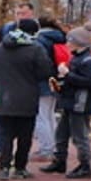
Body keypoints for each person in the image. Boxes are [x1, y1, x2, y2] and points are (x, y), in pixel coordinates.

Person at [0, 20, 53, 180]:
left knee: (5, 135)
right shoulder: (35, 49)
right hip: (28, 97)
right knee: (25, 136)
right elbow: (45, 71)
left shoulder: (1, 48)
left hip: (5, 97)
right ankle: (20, 168)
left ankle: (3, 167)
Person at [41, 26, 91, 179]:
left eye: (70, 41)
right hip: (71, 101)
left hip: (81, 103)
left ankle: (85, 165)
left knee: (80, 136)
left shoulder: (88, 61)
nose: (67, 44)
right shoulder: (77, 58)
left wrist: (68, 75)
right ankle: (60, 160)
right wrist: (61, 82)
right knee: (61, 133)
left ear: (79, 43)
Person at [32, 16, 67, 160]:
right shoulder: (59, 38)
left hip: (42, 82)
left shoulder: (40, 40)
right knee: (50, 115)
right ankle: (54, 146)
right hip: (55, 80)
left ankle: (46, 149)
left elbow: (40, 63)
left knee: (41, 116)